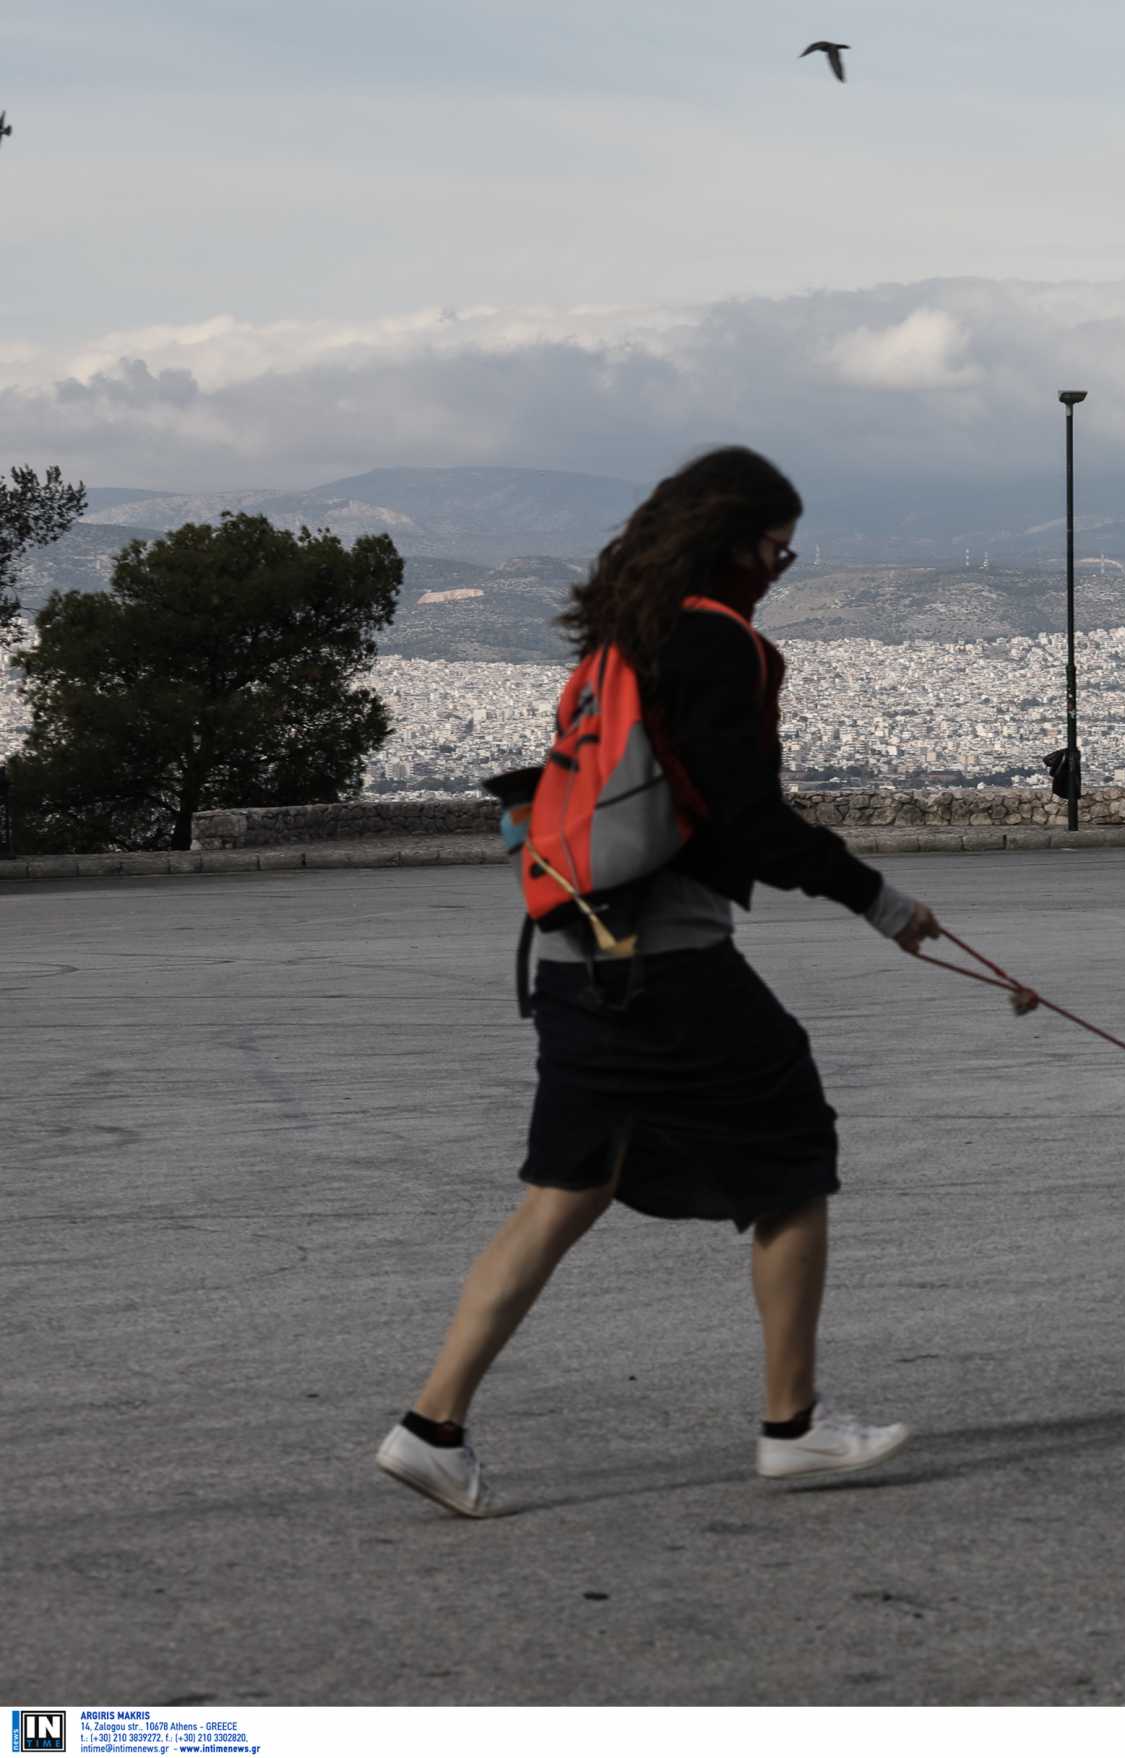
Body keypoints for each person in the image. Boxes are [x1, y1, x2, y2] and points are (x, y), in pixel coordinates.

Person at [376, 446, 941, 1518]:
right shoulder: (716, 645)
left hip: (570, 959)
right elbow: (747, 817)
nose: (782, 565)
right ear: (737, 539)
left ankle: (430, 1428)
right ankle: (793, 1427)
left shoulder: (617, 640)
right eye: (778, 545)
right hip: (668, 963)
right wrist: (881, 902)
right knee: (791, 1157)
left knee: (560, 1196)